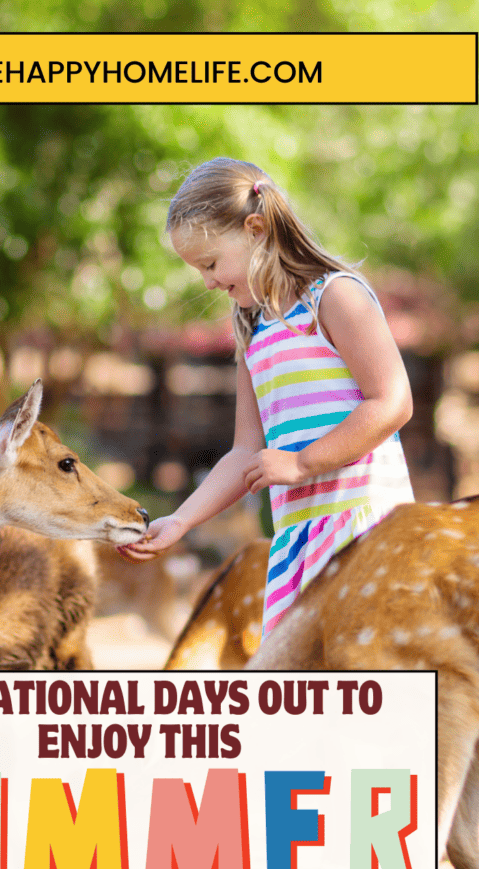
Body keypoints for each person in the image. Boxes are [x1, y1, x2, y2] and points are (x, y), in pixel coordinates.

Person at [120, 157, 414, 637]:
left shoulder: (334, 297)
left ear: (255, 229)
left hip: (364, 528)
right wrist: (180, 521)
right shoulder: (253, 333)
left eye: (211, 263)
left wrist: (301, 464)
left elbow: (392, 402)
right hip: (297, 541)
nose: (208, 282)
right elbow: (245, 454)